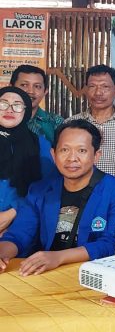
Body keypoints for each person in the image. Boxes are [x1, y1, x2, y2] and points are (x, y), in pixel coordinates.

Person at [0, 120, 115, 275]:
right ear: (53, 154)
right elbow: (19, 234)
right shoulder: (39, 191)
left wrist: (59, 257)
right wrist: (3, 252)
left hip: (92, 273)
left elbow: (112, 243)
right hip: (46, 272)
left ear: (96, 156)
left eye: (81, 150)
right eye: (64, 150)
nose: (72, 158)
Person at [0, 87, 55, 236]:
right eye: (3, 104)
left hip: (22, 224)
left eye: (17, 105)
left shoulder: (39, 145)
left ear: (26, 111)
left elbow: (48, 186)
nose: (10, 110)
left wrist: (13, 213)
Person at [67, 65, 115, 179]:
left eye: (105, 86)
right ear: (86, 89)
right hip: (82, 189)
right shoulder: (71, 124)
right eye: (92, 86)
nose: (98, 93)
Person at [10, 64, 63, 143]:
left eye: (37, 86)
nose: (31, 91)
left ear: (45, 91)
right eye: (24, 85)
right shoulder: (3, 118)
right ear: (11, 88)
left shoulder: (56, 122)